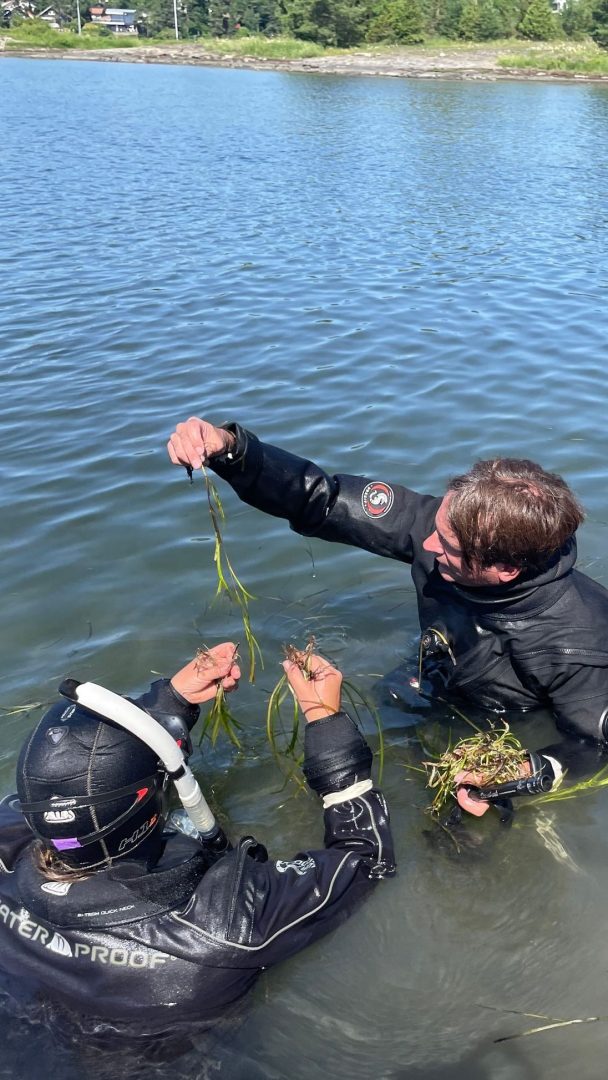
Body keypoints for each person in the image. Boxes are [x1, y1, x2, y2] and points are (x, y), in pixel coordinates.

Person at [167, 417, 608, 817]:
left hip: (506, 717)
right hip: (431, 676)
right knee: (388, 716)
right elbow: (322, 499)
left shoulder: (582, 642)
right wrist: (230, 448)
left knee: (459, 826)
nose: (428, 545)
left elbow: (594, 747)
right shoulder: (447, 526)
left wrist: (517, 772)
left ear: (504, 569)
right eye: (436, 528)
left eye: (449, 549)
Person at [0, 642, 394, 1034]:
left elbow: (80, 785)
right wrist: (324, 719)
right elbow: (365, 859)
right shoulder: (225, 925)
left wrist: (169, 703)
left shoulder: (10, 845)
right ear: (149, 803)